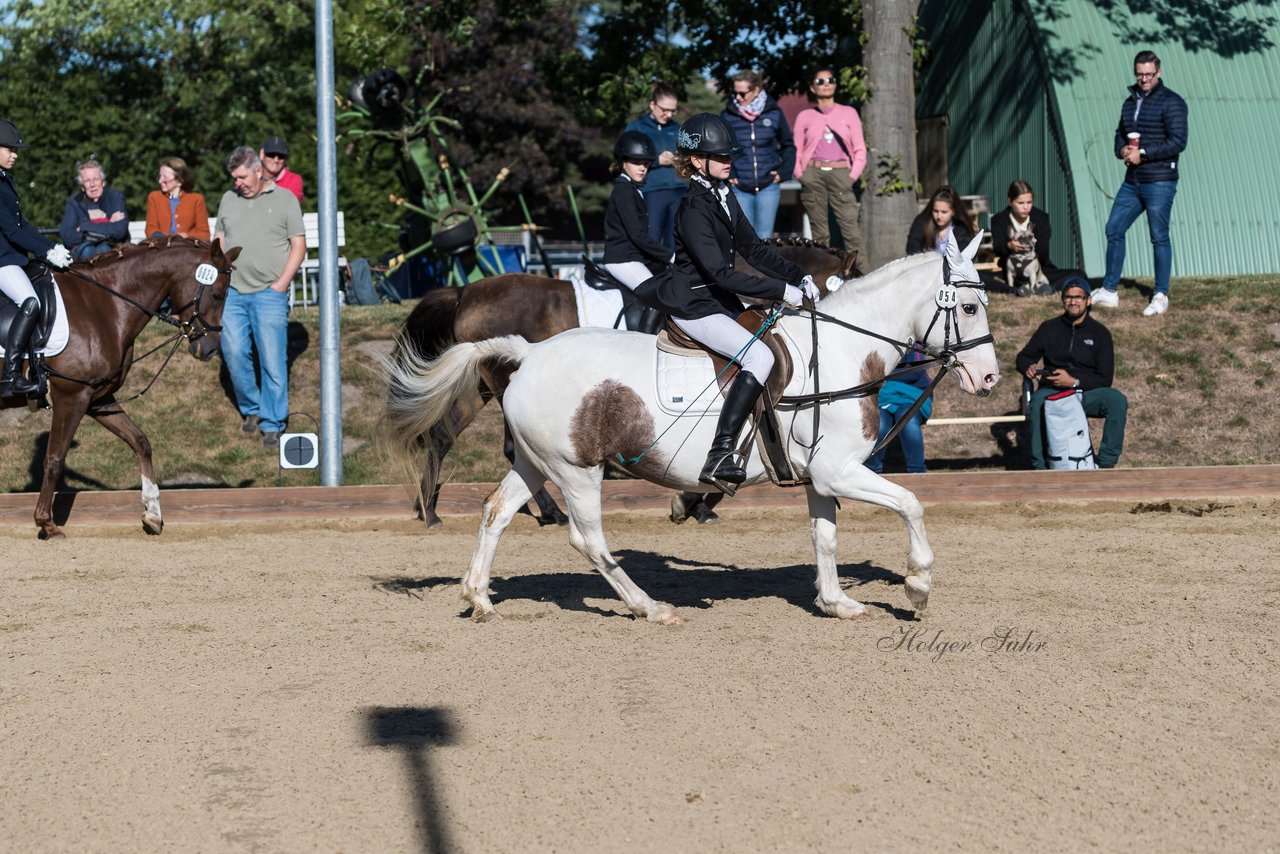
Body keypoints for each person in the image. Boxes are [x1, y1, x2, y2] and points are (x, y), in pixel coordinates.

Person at [634, 113, 818, 488]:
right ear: (697, 161)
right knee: (759, 356)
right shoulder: (693, 209)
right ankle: (721, 453)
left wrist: (799, 276)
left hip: (718, 301)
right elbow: (720, 272)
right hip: (693, 305)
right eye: (720, 156)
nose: (728, 160)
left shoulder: (724, 195)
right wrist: (782, 291)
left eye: (729, 155)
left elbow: (754, 249)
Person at [213, 146, 306, 448]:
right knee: (235, 354)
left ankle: (273, 421)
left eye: (241, 177)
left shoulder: (284, 199)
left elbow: (299, 245)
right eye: (233, 178)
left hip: (269, 293)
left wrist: (281, 284)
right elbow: (220, 237)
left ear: (257, 170)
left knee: (273, 360)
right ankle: (251, 408)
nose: (237, 183)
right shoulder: (229, 198)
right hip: (234, 294)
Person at [1091, 50, 1188, 317]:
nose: (1144, 78)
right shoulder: (1129, 101)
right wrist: (1123, 150)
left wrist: (1143, 153)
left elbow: (1178, 141)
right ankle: (1109, 290)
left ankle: (1160, 294)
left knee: (1158, 236)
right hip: (1132, 181)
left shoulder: (1172, 102)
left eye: (1149, 74)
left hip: (1160, 181)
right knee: (1114, 228)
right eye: (1139, 74)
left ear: (1158, 72)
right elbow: (1119, 134)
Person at [1015, 281, 1128, 469]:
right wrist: (1029, 366)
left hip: (1086, 392)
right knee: (1037, 403)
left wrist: (1074, 381)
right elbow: (1023, 357)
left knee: (1116, 400)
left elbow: (1105, 379)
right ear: (1062, 300)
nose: (1073, 301)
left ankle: (1106, 463)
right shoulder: (1049, 328)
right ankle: (1040, 466)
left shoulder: (1100, 334)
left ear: (1088, 300)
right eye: (1068, 297)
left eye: (1078, 297)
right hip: (1052, 391)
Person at [0, 120, 73, 396]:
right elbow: (9, 230)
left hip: (10, 256)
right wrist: (44, 250)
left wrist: (50, 246)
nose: (15, 154)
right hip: (1, 259)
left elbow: (23, 225)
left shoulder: (6, 180)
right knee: (30, 302)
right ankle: (11, 376)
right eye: (10, 148)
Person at [792, 67, 867, 272]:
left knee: (850, 230)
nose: (826, 84)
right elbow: (796, 150)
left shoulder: (849, 113)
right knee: (820, 233)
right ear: (813, 87)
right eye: (821, 81)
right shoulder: (805, 116)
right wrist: (801, 175)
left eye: (830, 80)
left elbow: (860, 148)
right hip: (813, 173)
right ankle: (823, 276)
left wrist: (851, 176)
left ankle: (861, 274)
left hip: (841, 172)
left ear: (835, 84)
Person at [601, 131, 670, 335]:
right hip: (621, 260)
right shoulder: (623, 191)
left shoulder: (631, 189)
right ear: (623, 162)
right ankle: (645, 340)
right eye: (636, 162)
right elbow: (638, 236)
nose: (642, 168)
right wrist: (670, 255)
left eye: (646, 163)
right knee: (657, 296)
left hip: (631, 258)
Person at [722, 69, 795, 239]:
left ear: (756, 91)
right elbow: (722, 149)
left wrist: (784, 173)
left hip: (769, 186)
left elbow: (788, 145)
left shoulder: (774, 113)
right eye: (735, 93)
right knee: (744, 238)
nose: (738, 97)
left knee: (764, 238)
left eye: (742, 93)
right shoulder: (728, 115)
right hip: (740, 187)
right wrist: (730, 174)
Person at [990, 180, 1089, 297]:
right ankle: (1020, 288)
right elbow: (998, 248)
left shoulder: (1041, 218)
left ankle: (1039, 288)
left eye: (1029, 202)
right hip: (1011, 270)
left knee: (1079, 274)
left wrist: (1031, 248)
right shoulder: (999, 219)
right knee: (983, 278)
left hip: (1038, 269)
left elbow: (1043, 253)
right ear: (1010, 202)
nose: (1026, 207)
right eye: (1021, 203)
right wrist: (1009, 246)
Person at [624, 82, 686, 252]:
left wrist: (680, 160)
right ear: (652, 104)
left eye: (673, 110)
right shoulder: (637, 127)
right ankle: (651, 276)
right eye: (664, 110)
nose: (668, 114)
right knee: (651, 239)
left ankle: (675, 277)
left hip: (679, 190)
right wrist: (657, 160)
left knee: (677, 240)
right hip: (651, 191)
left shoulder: (678, 129)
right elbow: (625, 159)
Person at [864, 352, 932, 474]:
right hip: (882, 395)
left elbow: (914, 373)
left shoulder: (916, 345)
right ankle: (871, 471)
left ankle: (917, 472)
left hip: (914, 394)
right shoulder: (881, 344)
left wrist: (888, 373)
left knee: (908, 420)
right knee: (880, 425)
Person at [58, 159, 129, 261]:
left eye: (95, 179)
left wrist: (84, 227)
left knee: (104, 249)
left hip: (113, 251)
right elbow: (68, 237)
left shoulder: (114, 197)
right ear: (82, 187)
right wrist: (108, 225)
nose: (92, 184)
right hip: (84, 252)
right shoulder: (75, 201)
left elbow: (120, 231)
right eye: (87, 181)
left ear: (103, 182)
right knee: (88, 250)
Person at [144, 156, 211, 241]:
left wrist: (185, 236)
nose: (160, 181)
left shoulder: (196, 199)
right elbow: (150, 230)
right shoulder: (154, 198)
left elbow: (205, 235)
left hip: (188, 248)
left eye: (165, 177)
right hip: (162, 248)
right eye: (160, 176)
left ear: (179, 181)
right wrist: (164, 239)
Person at [906, 185, 975, 256]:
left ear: (953, 211)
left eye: (944, 212)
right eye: (935, 211)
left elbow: (964, 255)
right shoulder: (921, 223)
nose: (939, 216)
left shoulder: (962, 229)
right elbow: (912, 248)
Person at [259, 136, 304, 203]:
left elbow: (289, 206)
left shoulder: (293, 180)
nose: (276, 160)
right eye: (271, 154)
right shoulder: (253, 178)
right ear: (262, 154)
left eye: (281, 156)